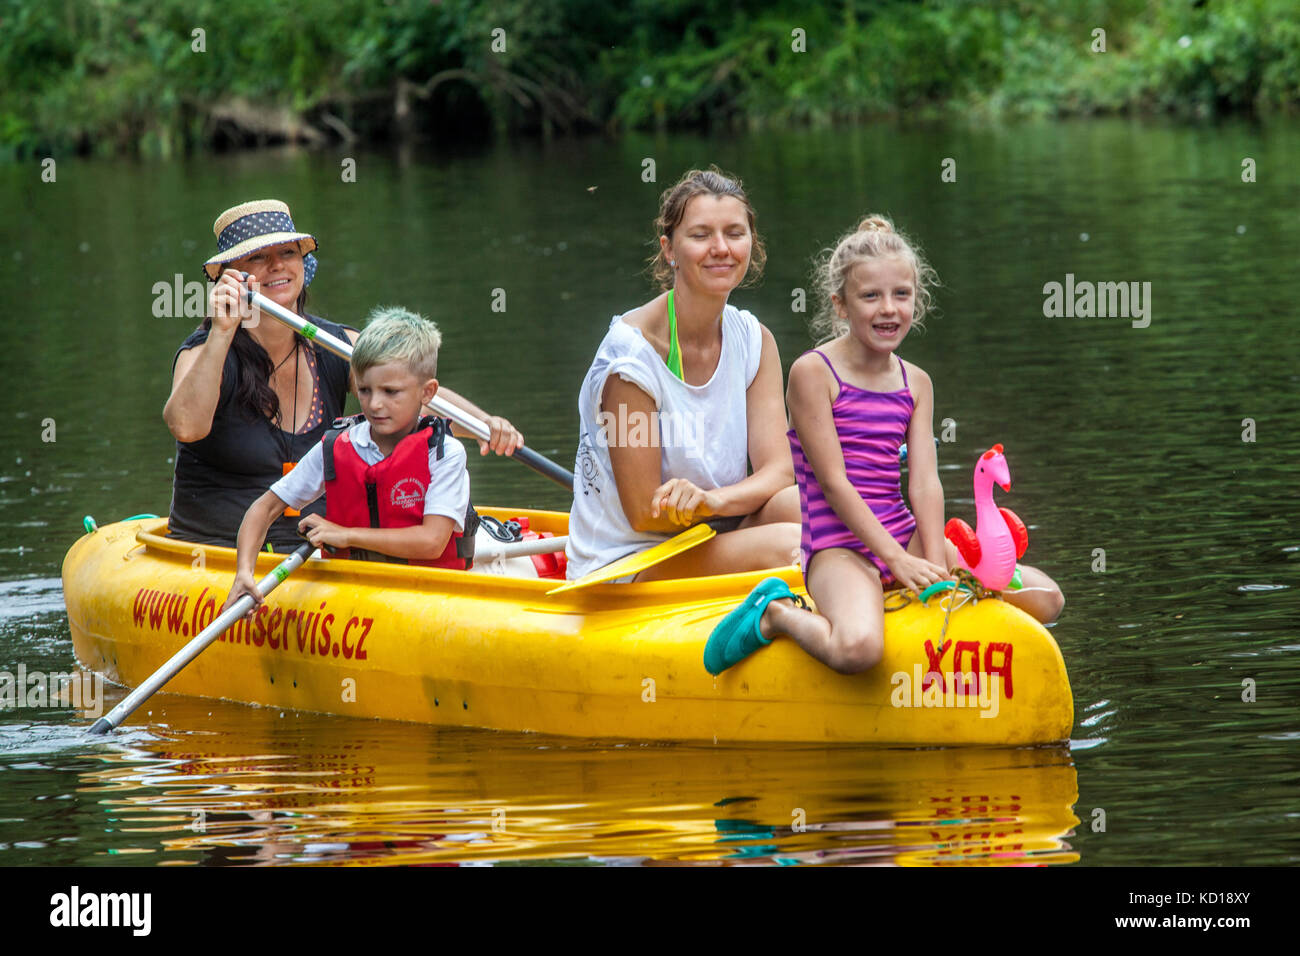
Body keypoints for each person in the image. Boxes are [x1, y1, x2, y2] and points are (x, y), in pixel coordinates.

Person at [705, 216, 1064, 675]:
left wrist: (932, 562)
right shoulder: (813, 374)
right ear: (840, 305)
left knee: (1047, 599)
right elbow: (834, 485)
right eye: (870, 296)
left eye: (901, 295)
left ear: (918, 299)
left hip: (904, 532)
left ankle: (907, 583)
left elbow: (926, 484)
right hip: (840, 547)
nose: (888, 309)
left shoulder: (916, 383)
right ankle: (776, 615)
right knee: (858, 651)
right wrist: (895, 560)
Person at [165, 199, 520, 551]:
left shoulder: (335, 344)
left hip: (321, 547)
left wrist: (483, 424)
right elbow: (186, 426)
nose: (276, 266)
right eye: (257, 257)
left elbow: (412, 395)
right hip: (215, 551)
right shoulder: (205, 350)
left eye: (287, 252)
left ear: (303, 263)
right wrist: (223, 331)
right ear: (229, 275)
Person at [565, 168, 800, 581]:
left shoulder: (755, 340)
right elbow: (643, 512)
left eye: (734, 233)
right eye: (700, 235)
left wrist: (711, 502)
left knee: (809, 507)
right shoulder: (631, 360)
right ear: (669, 249)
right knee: (794, 543)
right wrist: (719, 507)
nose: (721, 248)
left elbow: (779, 472)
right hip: (631, 562)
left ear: (752, 244)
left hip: (715, 529)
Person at [221, 308, 473, 615]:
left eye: (391, 392)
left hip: (428, 594)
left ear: (427, 392)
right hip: (352, 595)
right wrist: (244, 571)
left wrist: (344, 534)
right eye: (364, 390)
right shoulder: (336, 446)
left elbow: (432, 542)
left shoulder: (445, 452)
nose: (375, 404)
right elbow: (264, 508)